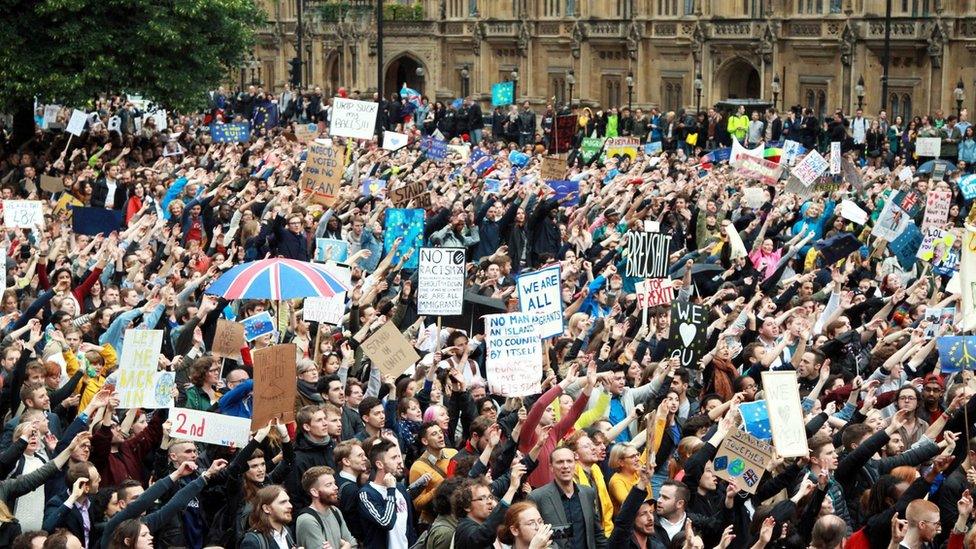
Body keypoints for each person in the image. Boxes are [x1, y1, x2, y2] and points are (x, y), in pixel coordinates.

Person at [528, 447, 607, 549]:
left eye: (569, 461)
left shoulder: (588, 493)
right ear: (551, 467)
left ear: (575, 464)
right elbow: (532, 536)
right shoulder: (537, 497)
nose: (565, 466)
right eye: (560, 462)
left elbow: (597, 532)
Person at [296, 466, 356, 549]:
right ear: (314, 492)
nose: (336, 487)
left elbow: (353, 544)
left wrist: (349, 544)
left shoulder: (335, 511)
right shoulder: (307, 520)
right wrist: (346, 545)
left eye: (334, 483)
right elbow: (349, 544)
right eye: (329, 485)